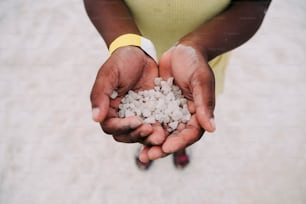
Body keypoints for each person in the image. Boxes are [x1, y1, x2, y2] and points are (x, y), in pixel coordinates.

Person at [84, 0, 271, 169]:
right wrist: (127, 43)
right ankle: (147, 140)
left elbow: (255, 4)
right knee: (142, 126)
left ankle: (179, 148)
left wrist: (198, 46)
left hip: (204, 56)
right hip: (136, 42)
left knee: (196, 107)